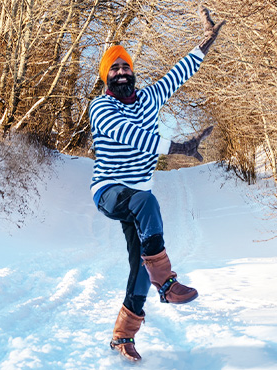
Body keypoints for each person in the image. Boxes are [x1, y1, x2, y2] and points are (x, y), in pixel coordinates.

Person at [89, 5, 225, 362]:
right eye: (113, 68)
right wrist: (180, 147)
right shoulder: (101, 108)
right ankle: (166, 282)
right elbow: (133, 137)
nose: (121, 72)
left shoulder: (149, 98)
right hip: (109, 191)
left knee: (138, 264)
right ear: (106, 77)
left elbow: (178, 75)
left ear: (132, 72)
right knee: (145, 202)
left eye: (125, 66)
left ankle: (122, 336)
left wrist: (206, 43)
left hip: (139, 194)